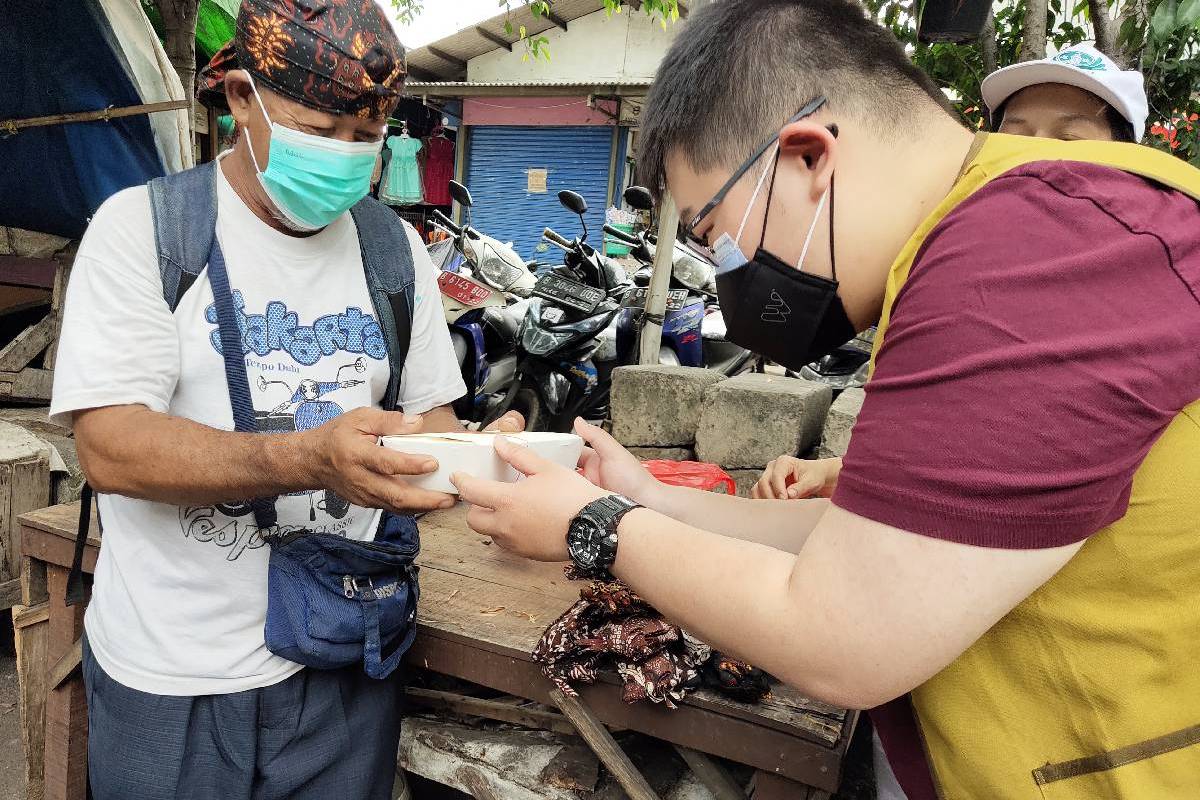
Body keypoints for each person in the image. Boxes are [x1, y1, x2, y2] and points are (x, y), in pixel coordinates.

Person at [448, 1, 1200, 798]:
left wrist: (592, 528)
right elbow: (875, 542)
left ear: (807, 157)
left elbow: (844, 637)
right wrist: (640, 492)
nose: (726, 273)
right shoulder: (983, 241)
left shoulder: (1027, 252)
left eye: (715, 233)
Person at [50, 2, 520, 798]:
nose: (344, 158)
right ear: (241, 98)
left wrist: (479, 458)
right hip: (174, 677)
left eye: (363, 139)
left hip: (345, 660)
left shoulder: (392, 248)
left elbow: (429, 422)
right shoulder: (143, 231)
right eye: (317, 130)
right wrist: (306, 459)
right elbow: (110, 447)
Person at [751, 42, 1152, 503]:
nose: (1032, 156)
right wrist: (837, 473)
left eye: (1069, 139)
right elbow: (965, 450)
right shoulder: (961, 269)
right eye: (1016, 136)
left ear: (1131, 164)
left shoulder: (1140, 293)